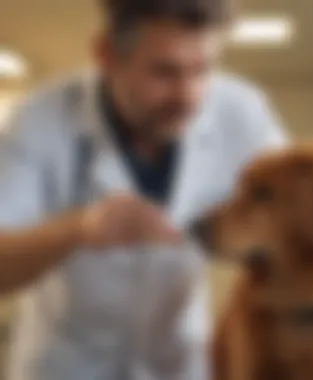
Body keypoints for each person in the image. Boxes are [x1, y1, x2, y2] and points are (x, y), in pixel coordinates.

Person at [0, 0, 287, 379]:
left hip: (179, 363)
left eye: (203, 69)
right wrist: (78, 229)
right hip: (65, 365)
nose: (188, 96)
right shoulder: (40, 119)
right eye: (164, 72)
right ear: (106, 55)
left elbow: (296, 224)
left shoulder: (243, 113)